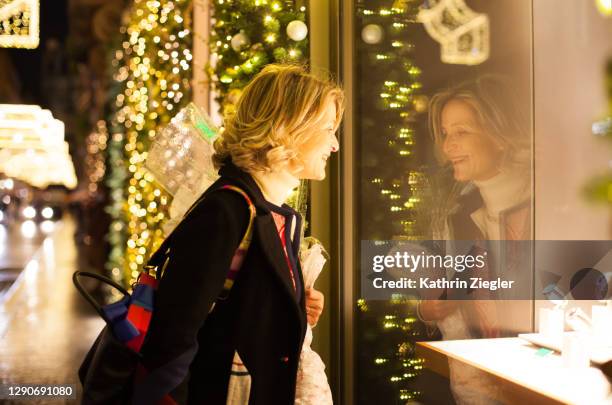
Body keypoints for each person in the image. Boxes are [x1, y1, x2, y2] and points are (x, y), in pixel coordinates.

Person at [139, 64, 344, 404]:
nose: (334, 145)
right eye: (327, 129)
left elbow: (241, 313)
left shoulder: (279, 215)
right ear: (288, 127)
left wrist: (295, 308)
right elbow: (173, 339)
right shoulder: (228, 212)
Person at [418, 75, 531, 404]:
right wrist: (427, 307)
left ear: (499, 136)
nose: (448, 146)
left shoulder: (548, 203)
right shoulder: (453, 215)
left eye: (461, 132)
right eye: (445, 133)